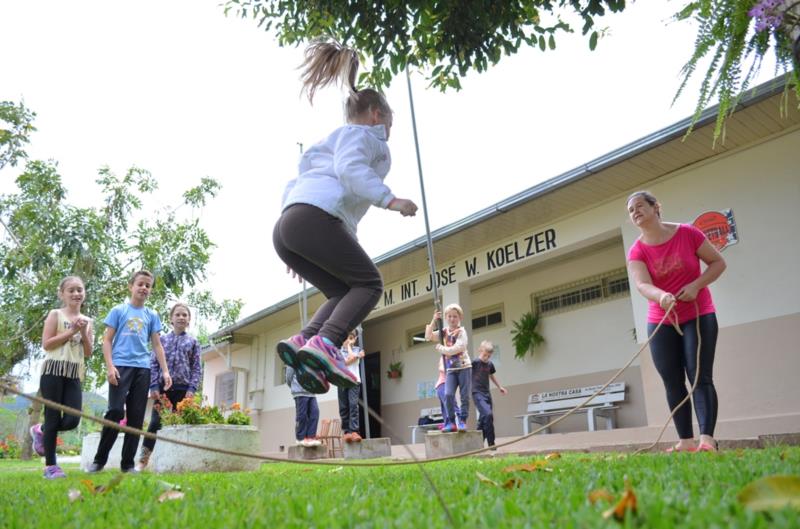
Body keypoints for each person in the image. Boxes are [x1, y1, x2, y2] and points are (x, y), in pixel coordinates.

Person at [273, 39, 418, 392]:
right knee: (370, 284)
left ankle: (304, 341)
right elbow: (350, 169)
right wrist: (391, 200)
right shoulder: (367, 138)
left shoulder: (332, 139)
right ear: (376, 115)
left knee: (341, 291)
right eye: (390, 124)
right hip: (312, 220)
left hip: (289, 225)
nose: (389, 133)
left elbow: (296, 183)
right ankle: (326, 344)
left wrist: (295, 241)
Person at [626, 191, 726, 453]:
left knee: (699, 377)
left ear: (656, 207)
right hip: (662, 320)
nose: (634, 212)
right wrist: (660, 296)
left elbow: (718, 263)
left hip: (699, 313)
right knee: (672, 381)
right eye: (630, 210)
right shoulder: (636, 250)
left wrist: (696, 285)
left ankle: (707, 440)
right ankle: (686, 441)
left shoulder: (688, 233)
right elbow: (641, 284)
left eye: (639, 206)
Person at [87, 270, 172, 473]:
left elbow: (157, 345)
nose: (144, 288)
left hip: (143, 369)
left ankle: (127, 464)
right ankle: (99, 460)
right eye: (140, 284)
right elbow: (106, 340)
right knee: (115, 411)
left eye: (148, 286)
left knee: (135, 417)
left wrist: (165, 371)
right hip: (120, 366)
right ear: (131, 286)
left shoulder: (152, 315)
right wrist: (110, 366)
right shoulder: (119, 311)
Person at [29, 276, 93, 479]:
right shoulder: (55, 314)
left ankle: (41, 430)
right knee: (53, 416)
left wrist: (82, 332)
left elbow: (89, 351)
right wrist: (71, 330)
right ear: (62, 294)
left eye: (80, 290)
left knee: (73, 419)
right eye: (71, 290)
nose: (76, 294)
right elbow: (47, 344)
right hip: (53, 371)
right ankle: (51, 467)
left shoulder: (88, 321)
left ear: (84, 293)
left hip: (73, 373)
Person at [136, 302, 201, 471]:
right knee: (155, 424)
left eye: (184, 315)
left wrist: (192, 389)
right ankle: (143, 461)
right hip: (162, 390)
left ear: (189, 320)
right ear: (171, 319)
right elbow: (154, 363)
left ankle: (179, 462)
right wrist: (153, 386)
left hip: (183, 391)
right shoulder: (162, 340)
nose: (181, 317)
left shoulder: (193, 342)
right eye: (177, 314)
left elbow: (196, 368)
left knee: (179, 426)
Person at [425, 304, 471, 432]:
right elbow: (428, 336)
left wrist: (442, 349)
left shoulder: (462, 332)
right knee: (448, 394)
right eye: (449, 316)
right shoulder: (444, 331)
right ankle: (451, 422)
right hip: (450, 369)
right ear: (445, 317)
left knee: (464, 396)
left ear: (460, 318)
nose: (452, 319)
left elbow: (457, 348)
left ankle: (462, 421)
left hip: (464, 367)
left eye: (455, 317)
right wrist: (434, 320)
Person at [471, 341, 507, 448]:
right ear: (480, 351)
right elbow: (464, 373)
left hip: (487, 393)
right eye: (484, 355)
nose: (486, 358)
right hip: (477, 393)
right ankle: (491, 443)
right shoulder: (475, 362)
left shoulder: (490, 364)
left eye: (489, 356)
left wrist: (499, 386)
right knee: (488, 414)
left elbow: (491, 375)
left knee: (484, 418)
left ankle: (476, 443)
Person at [286, 366, 322, 447]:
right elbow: (288, 378)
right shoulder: (293, 357)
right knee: (302, 415)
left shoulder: (309, 358)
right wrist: (295, 387)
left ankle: (311, 437)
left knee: (315, 413)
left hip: (311, 392)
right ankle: (301, 438)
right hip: (299, 392)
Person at [339, 330, 365, 442]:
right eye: (348, 338)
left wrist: (351, 349)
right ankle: (347, 432)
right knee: (344, 407)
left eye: (352, 338)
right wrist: (356, 356)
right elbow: (346, 363)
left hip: (354, 381)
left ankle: (354, 431)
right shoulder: (338, 352)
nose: (350, 340)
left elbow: (351, 358)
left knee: (353, 405)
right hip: (342, 381)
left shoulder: (358, 350)